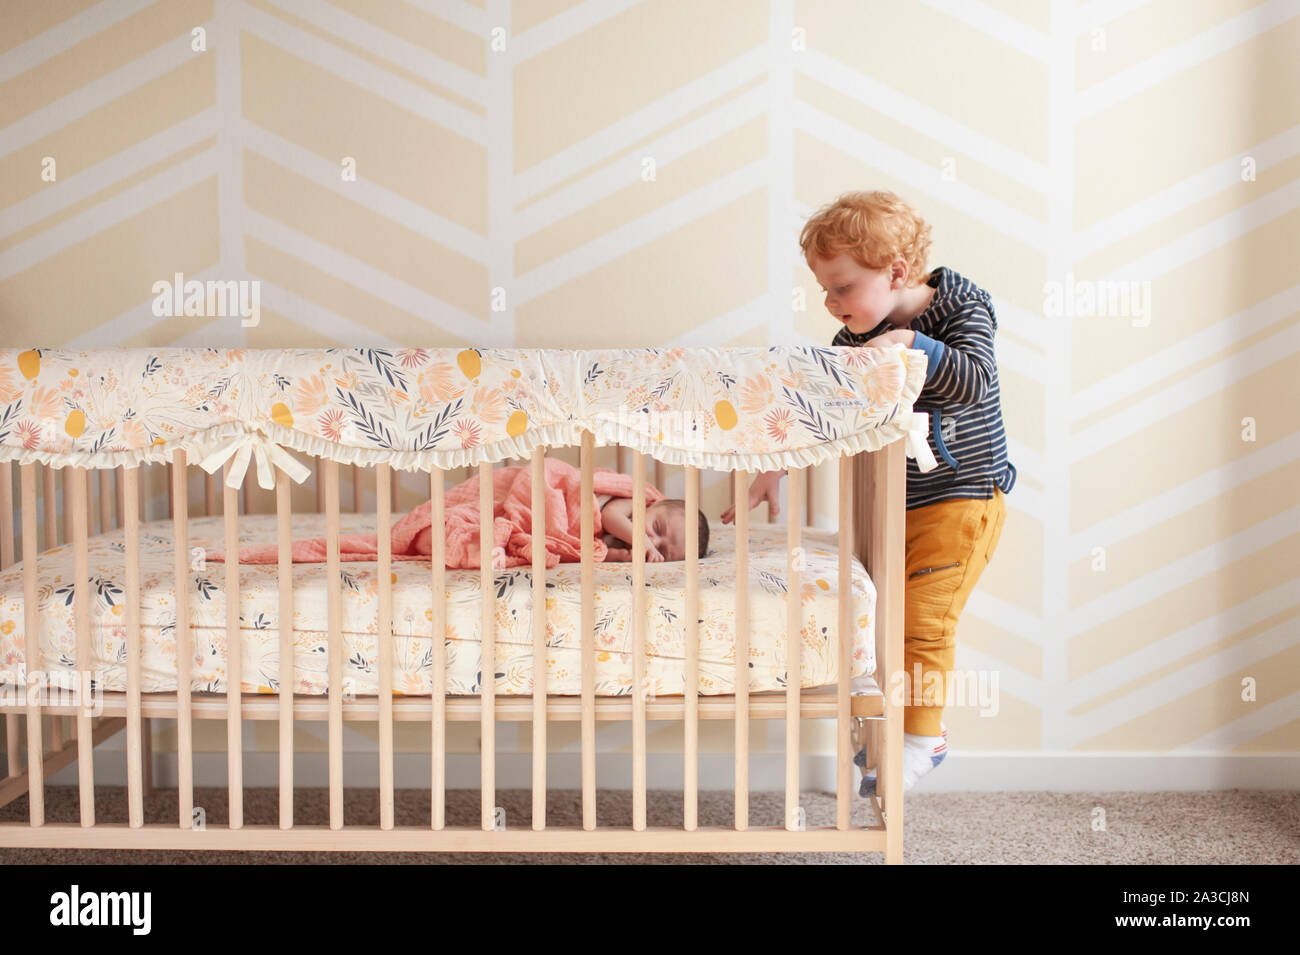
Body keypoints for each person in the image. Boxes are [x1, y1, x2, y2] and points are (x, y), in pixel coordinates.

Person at [721, 190, 1015, 796]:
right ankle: (880, 746)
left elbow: (975, 379)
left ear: (897, 273)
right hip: (894, 507)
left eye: (843, 287)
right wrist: (777, 465)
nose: (831, 303)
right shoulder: (851, 343)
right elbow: (824, 412)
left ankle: (921, 739)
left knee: (925, 625)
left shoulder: (961, 307)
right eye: (825, 290)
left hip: (962, 500)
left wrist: (911, 346)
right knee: (878, 627)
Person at [599, 493, 709, 562]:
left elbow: (590, 553)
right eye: (657, 527)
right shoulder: (635, 505)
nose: (653, 542)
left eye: (661, 550)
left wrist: (620, 556)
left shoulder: (635, 553)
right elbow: (609, 514)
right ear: (653, 505)